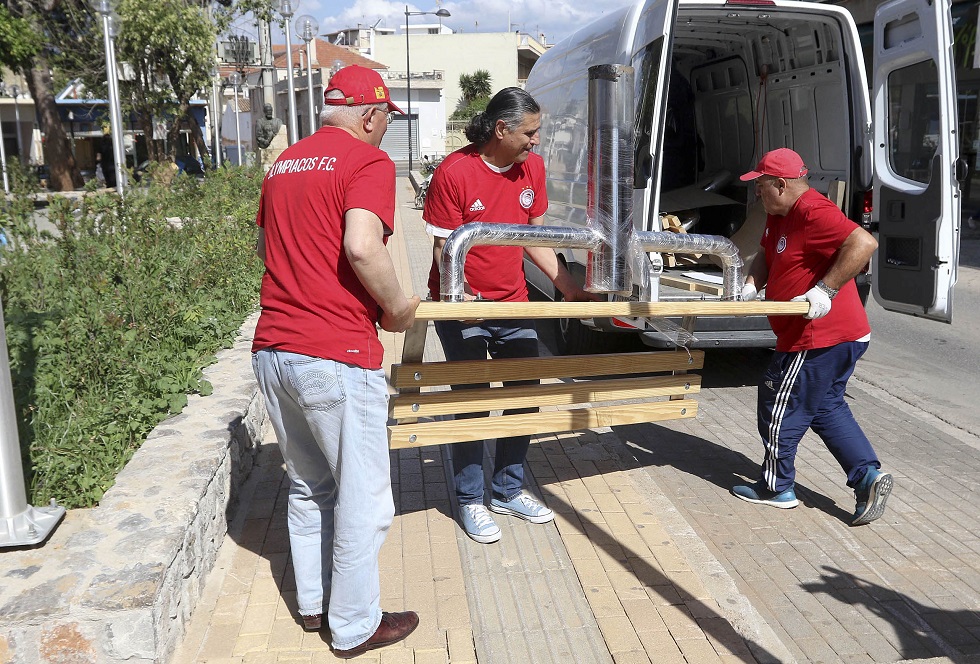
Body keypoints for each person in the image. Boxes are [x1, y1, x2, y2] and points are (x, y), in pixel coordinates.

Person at [251, 64, 421, 658]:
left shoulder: (284, 165)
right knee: (364, 498)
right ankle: (354, 625)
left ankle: (314, 604)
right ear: (372, 115)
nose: (384, 133)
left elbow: (271, 244)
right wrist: (398, 307)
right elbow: (360, 245)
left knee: (307, 485)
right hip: (335, 353)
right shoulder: (367, 163)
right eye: (385, 121)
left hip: (274, 348)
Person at [423, 87, 595, 544]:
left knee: (525, 394)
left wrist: (570, 289)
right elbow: (444, 251)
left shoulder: (531, 169)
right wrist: (462, 302)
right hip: (462, 304)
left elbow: (532, 239)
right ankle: (470, 500)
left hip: (513, 301)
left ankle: (507, 490)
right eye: (530, 132)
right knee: (474, 398)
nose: (537, 142)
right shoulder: (454, 172)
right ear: (501, 129)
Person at [733, 147, 893, 527]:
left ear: (781, 184)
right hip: (838, 337)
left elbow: (864, 243)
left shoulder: (813, 210)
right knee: (825, 408)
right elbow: (766, 255)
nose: (757, 192)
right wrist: (752, 286)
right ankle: (867, 476)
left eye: (761, 186)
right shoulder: (779, 214)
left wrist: (825, 290)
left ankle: (776, 488)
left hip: (820, 336)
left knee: (777, 403)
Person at [97, 124, 116, 188]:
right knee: (114, 180)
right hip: (113, 164)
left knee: (108, 180)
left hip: (105, 165)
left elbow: (98, 158)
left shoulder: (100, 146)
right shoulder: (113, 145)